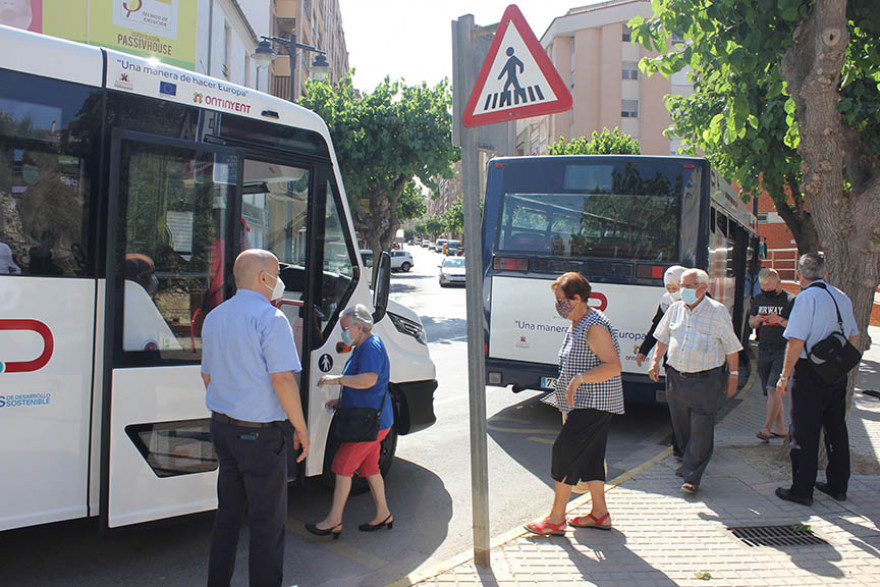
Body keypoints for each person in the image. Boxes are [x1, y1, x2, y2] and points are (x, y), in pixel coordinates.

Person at [200, 248, 310, 587]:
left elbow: (207, 376)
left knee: (227, 519)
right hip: (260, 437)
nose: (279, 282)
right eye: (277, 274)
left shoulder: (215, 316)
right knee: (266, 525)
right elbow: (282, 379)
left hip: (222, 428)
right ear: (264, 278)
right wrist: (301, 428)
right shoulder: (271, 319)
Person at [524, 272, 623, 535]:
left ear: (577, 298)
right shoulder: (578, 321)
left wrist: (579, 380)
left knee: (564, 453)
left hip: (594, 403)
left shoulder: (594, 326)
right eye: (557, 300)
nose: (558, 305)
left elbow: (613, 366)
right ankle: (600, 514)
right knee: (591, 458)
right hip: (585, 403)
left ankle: (556, 519)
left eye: (562, 300)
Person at [648, 268, 742, 495]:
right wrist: (654, 361)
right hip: (676, 378)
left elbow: (731, 347)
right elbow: (662, 337)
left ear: (703, 288)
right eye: (681, 285)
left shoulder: (717, 312)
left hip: (706, 381)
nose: (683, 290)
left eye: (688, 286)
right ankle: (688, 460)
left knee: (701, 427)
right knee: (681, 427)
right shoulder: (675, 309)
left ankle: (692, 475)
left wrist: (734, 376)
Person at [775, 253, 859, 506]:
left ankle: (802, 490)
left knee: (804, 431)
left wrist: (785, 375)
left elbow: (796, 340)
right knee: (836, 429)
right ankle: (838, 485)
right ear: (825, 273)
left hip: (808, 371)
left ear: (799, 274)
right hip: (836, 372)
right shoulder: (841, 296)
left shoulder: (806, 298)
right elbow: (854, 337)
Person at [306, 304, 394, 539]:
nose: (342, 333)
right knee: (369, 468)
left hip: (370, 423)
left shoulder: (369, 348)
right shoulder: (363, 346)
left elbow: (367, 381)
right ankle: (383, 513)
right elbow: (364, 384)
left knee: (342, 466)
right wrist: (341, 401)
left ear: (358, 327)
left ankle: (334, 521)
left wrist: (337, 381)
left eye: (345, 328)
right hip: (374, 420)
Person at [636, 265, 686, 457]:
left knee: (692, 408)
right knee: (676, 405)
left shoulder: (701, 302)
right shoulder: (666, 302)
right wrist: (644, 352)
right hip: (673, 362)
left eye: (676, 287)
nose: (673, 292)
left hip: (698, 366)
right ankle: (679, 446)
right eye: (669, 288)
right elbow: (658, 329)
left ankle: (693, 446)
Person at [748, 268, 795, 441]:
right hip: (763, 348)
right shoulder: (759, 299)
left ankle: (766, 428)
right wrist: (757, 320)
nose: (766, 290)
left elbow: (796, 326)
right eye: (763, 287)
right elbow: (751, 322)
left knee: (774, 389)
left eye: (769, 287)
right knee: (771, 392)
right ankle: (781, 427)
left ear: (778, 282)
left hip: (782, 349)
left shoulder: (790, 300)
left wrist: (780, 321)